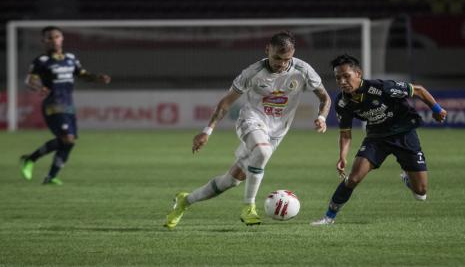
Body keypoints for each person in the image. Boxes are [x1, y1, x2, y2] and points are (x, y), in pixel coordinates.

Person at [164, 31, 331, 229]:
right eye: (277, 57)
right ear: (267, 49)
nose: (281, 63)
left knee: (230, 181)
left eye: (286, 59)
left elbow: (325, 97)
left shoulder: (303, 70)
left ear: (293, 53)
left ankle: (185, 201)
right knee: (262, 150)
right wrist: (207, 131)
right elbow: (225, 103)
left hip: (276, 133)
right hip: (251, 121)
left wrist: (321, 117)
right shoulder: (253, 72)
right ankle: (248, 207)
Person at [312, 54, 447, 225]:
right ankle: (328, 217)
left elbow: (419, 90)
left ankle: (408, 178)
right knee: (353, 178)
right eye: (338, 77)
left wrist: (436, 109)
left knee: (421, 193)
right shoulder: (342, 102)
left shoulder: (382, 87)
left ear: (358, 74)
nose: (342, 81)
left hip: (404, 133)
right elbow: (345, 133)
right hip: (377, 138)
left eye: (346, 76)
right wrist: (342, 157)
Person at [19, 26, 111, 185]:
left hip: (68, 104)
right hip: (53, 104)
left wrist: (98, 78)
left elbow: (82, 74)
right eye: (49, 38)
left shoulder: (71, 58)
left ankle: (50, 177)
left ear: (62, 38)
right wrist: (39, 87)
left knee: (70, 141)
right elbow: (30, 80)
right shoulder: (41, 61)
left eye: (56, 36)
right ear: (44, 41)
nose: (53, 40)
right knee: (67, 139)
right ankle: (29, 159)